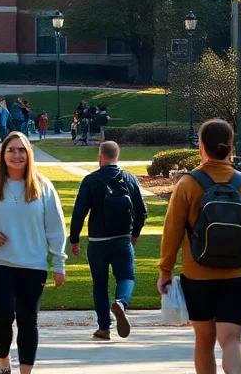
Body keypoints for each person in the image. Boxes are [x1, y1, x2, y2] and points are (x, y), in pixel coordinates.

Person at [158, 119, 241, 374]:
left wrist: (165, 271)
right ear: (230, 146)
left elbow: (172, 231)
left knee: (204, 341)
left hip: (198, 274)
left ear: (202, 147)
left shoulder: (188, 184)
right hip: (237, 275)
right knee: (231, 340)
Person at [0, 133, 67, 374]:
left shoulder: (43, 187)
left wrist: (59, 263)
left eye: (22, 150)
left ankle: (26, 371)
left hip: (33, 264)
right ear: (3, 154)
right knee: (2, 315)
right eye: (11, 150)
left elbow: (55, 227)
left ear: (29, 154)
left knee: (27, 320)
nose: (17, 155)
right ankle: (3, 363)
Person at [69, 140, 147, 341]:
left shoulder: (90, 180)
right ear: (117, 156)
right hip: (122, 239)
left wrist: (74, 239)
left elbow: (79, 213)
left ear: (100, 156)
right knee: (126, 277)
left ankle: (104, 328)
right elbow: (141, 210)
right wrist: (135, 234)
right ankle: (121, 302)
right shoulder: (128, 178)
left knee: (99, 284)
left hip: (97, 242)